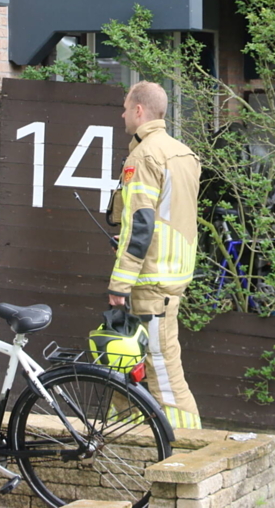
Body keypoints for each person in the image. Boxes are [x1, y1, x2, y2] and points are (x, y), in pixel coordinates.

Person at [108, 81, 202, 429]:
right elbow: (169, 217)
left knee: (164, 371)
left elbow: (141, 224)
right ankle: (129, 439)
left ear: (138, 110)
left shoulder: (144, 155)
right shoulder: (183, 153)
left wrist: (120, 283)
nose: (122, 114)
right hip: (173, 273)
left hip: (151, 280)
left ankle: (190, 448)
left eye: (124, 107)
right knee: (124, 360)